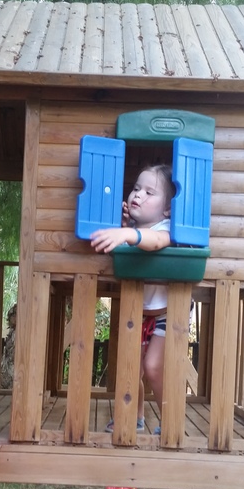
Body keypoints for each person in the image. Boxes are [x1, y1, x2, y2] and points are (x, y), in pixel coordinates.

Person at [90, 164, 175, 436]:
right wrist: (126, 229)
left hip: (167, 312)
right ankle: (135, 417)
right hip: (140, 311)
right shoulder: (134, 229)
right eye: (136, 188)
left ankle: (171, 420)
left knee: (153, 367)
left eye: (149, 192)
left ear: (167, 208)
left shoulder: (167, 227)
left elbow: (156, 241)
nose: (138, 194)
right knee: (131, 367)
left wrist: (128, 233)